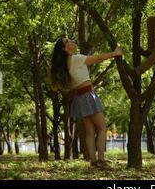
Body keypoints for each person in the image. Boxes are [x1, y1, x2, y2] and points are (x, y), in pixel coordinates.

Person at [51, 37, 122, 168]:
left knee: (90, 131)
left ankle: (93, 161)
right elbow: (97, 58)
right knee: (101, 128)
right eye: (67, 41)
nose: (71, 41)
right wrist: (114, 53)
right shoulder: (75, 59)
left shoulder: (66, 63)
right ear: (64, 49)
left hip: (79, 97)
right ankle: (100, 160)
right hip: (87, 95)